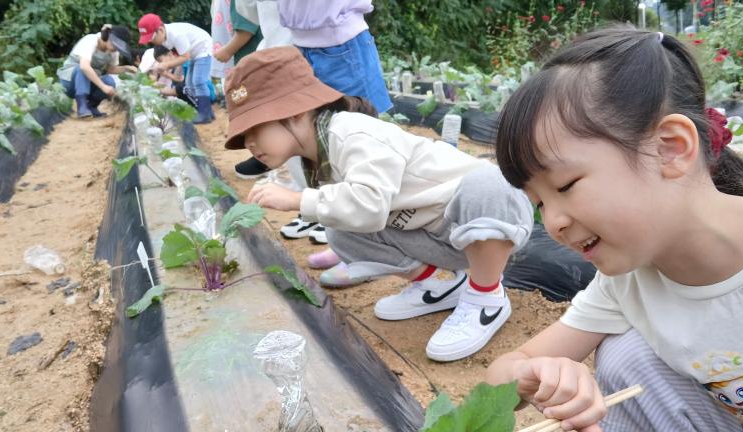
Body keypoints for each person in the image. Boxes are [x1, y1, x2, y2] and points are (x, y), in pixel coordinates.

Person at [487, 26, 743, 432]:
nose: (555, 223)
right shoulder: (626, 280)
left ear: (670, 149)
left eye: (565, 186)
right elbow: (502, 375)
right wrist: (533, 375)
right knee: (625, 357)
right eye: (538, 202)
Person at [224, 47, 534, 362]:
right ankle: (437, 286)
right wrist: (310, 200)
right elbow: (355, 213)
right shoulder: (313, 158)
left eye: (253, 129)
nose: (249, 143)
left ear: (294, 111)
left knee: (488, 181)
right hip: (436, 236)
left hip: (481, 222)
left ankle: (486, 298)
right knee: (339, 229)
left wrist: (297, 199)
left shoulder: (352, 133)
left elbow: (369, 204)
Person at [206, 0, 393, 272]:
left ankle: (378, 250)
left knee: (359, 145)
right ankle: (352, 243)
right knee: (320, 148)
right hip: (307, 49)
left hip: (342, 48)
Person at [137, 14, 215, 123]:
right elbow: (180, 55)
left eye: (152, 38)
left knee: (198, 81)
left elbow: (185, 57)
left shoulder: (176, 34)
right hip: (194, 53)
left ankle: (204, 114)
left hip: (203, 49)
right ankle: (208, 112)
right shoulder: (164, 39)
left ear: (160, 30)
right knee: (189, 83)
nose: (151, 42)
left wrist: (166, 65)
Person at [56, 25, 135, 119]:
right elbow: (84, 66)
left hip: (89, 83)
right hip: (69, 82)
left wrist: (127, 68)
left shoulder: (113, 52)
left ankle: (91, 106)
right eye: (115, 44)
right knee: (83, 70)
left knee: (109, 81)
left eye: (118, 47)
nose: (115, 49)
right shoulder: (91, 40)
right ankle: (82, 106)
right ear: (107, 37)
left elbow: (111, 69)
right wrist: (103, 86)